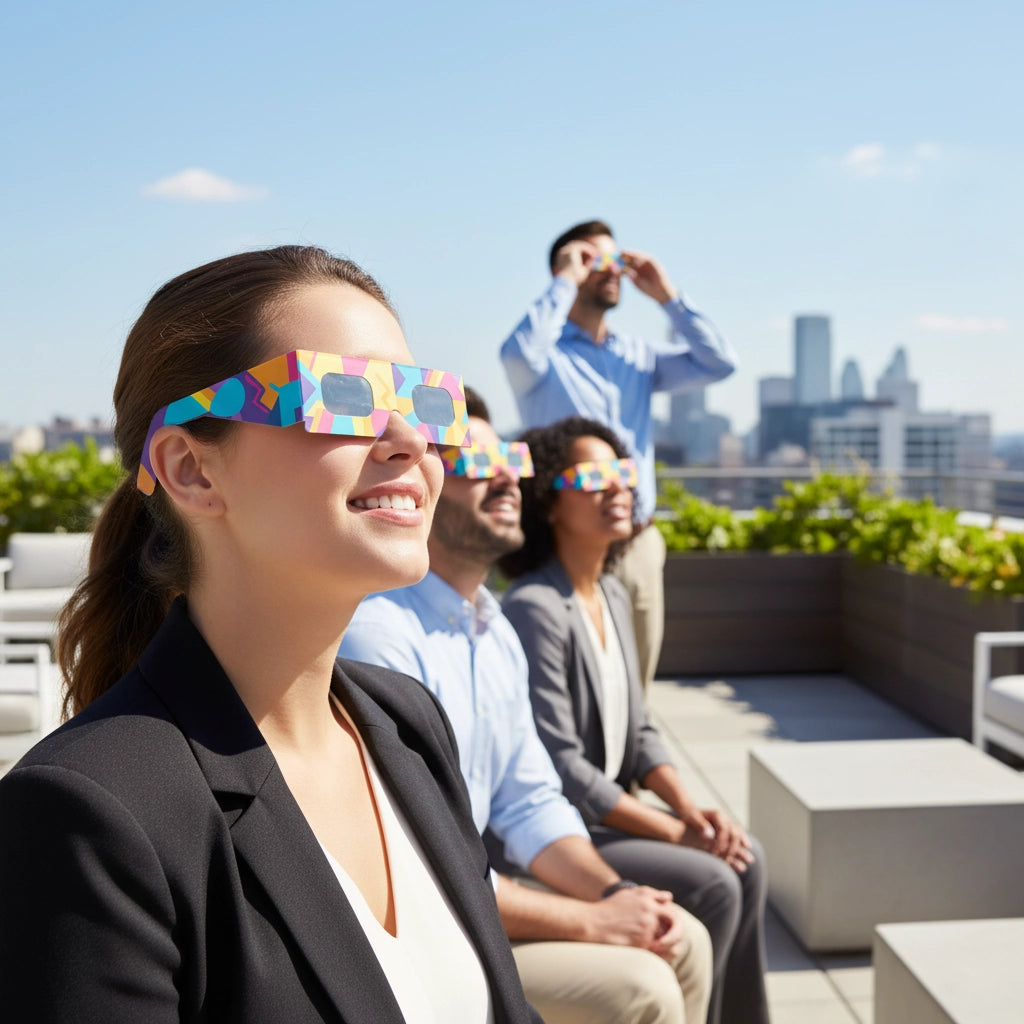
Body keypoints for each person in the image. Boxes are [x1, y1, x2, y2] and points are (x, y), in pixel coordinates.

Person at [0, 246, 540, 1024]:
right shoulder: (88, 812)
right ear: (191, 469)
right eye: (344, 395)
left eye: (425, 402)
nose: (411, 440)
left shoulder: (409, 725)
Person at [340, 390, 712, 1024]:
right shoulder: (380, 637)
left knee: (683, 938)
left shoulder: (494, 628)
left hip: (475, 902)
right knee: (645, 986)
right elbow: (422, 857)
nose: (507, 476)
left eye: (510, 459)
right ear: (423, 485)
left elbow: (530, 801)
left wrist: (617, 893)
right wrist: (592, 919)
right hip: (428, 934)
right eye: (476, 463)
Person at [500, 417, 770, 1024]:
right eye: (592, 478)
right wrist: (672, 832)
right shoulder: (536, 608)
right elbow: (563, 766)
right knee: (715, 882)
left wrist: (691, 811)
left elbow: (641, 729)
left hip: (610, 813)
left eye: (622, 473)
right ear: (548, 501)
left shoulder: (613, 593)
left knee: (744, 856)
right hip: (566, 833)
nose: (617, 488)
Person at [499, 220, 738, 692]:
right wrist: (564, 283)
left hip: (635, 540)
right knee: (564, 685)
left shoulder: (638, 356)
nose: (611, 270)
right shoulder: (543, 357)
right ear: (565, 268)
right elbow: (516, 355)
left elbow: (720, 363)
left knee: (636, 687)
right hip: (562, 543)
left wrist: (667, 296)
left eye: (616, 259)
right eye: (594, 259)